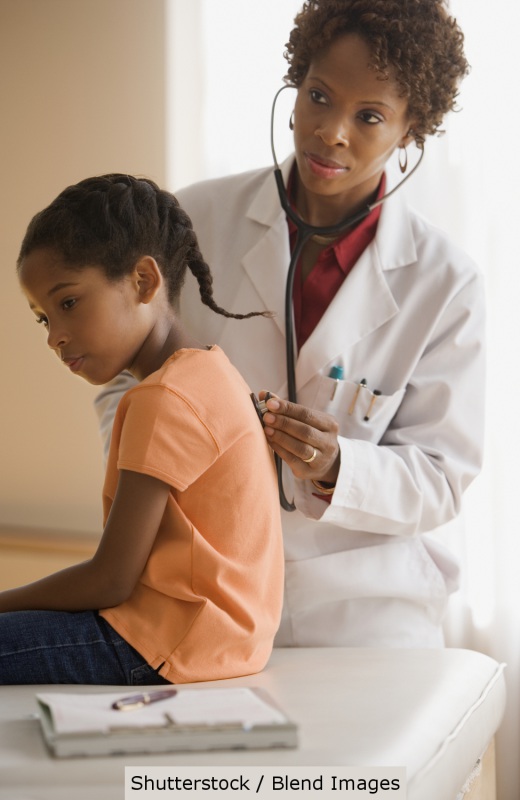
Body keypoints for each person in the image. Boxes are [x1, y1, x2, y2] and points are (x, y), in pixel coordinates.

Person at [96, 0, 485, 648]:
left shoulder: (445, 283)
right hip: (198, 581)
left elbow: (442, 480)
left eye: (369, 116)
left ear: (411, 127)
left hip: (364, 609)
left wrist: (339, 466)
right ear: (296, 84)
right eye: (320, 96)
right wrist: (160, 459)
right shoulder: (193, 218)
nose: (332, 132)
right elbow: (118, 384)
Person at [0, 174, 284, 685]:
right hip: (225, 644)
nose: (55, 337)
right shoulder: (211, 372)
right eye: (43, 319)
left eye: (67, 303)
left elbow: (109, 580)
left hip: (168, 642)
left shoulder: (165, 398)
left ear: (143, 282)